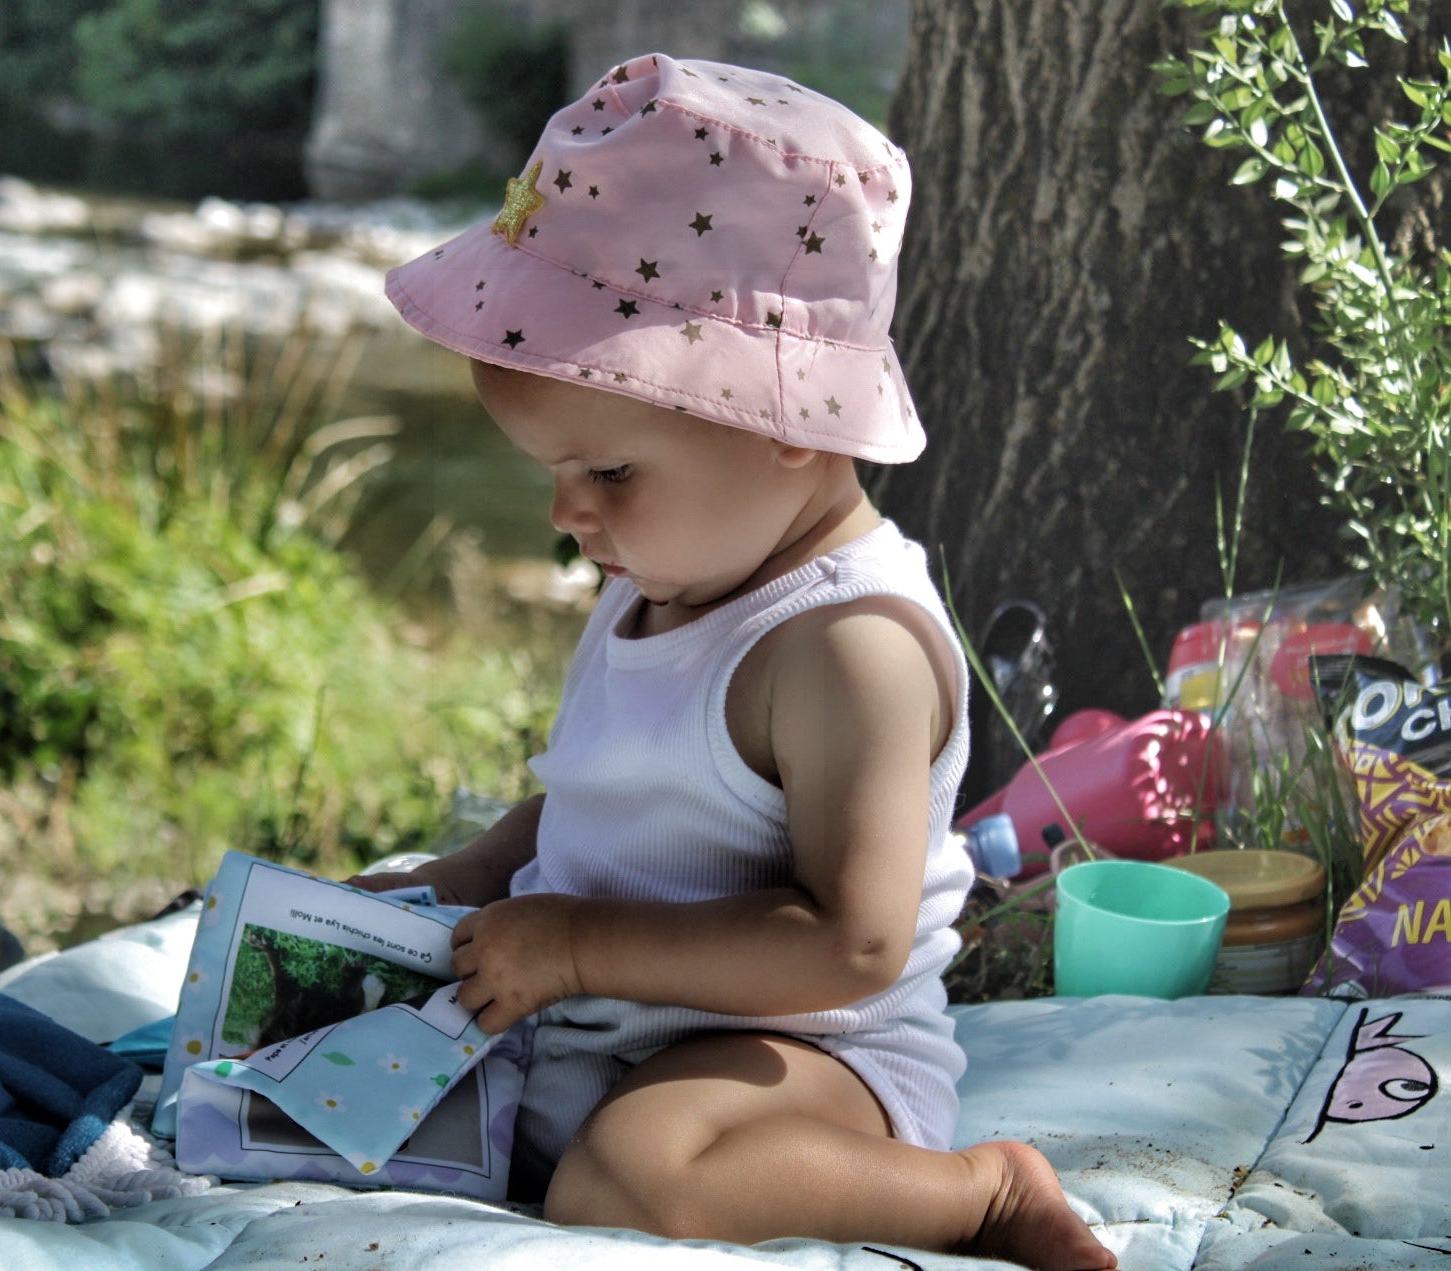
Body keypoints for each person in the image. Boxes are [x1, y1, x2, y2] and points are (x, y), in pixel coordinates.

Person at [355, 51, 1118, 1270]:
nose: (568, 516)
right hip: (614, 1026)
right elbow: (617, 796)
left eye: (604, 470)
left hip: (805, 1060)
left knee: (632, 1174)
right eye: (549, 472)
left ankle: (976, 1193)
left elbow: (849, 942)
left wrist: (574, 945)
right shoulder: (673, 565)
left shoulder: (844, 645)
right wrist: (462, 876)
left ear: (782, 425)